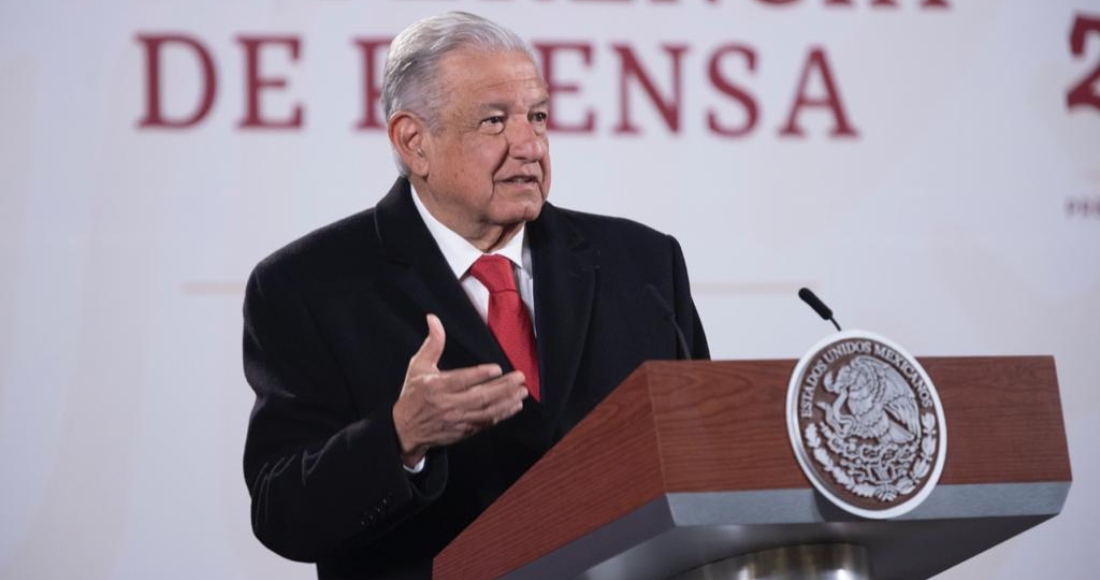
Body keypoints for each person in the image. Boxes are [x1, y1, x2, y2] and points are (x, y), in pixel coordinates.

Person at [242, 11, 708, 579]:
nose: (529, 146)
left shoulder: (643, 263)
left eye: (537, 117)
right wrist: (399, 437)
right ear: (414, 143)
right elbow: (281, 511)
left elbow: (701, 458)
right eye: (494, 122)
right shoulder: (308, 285)